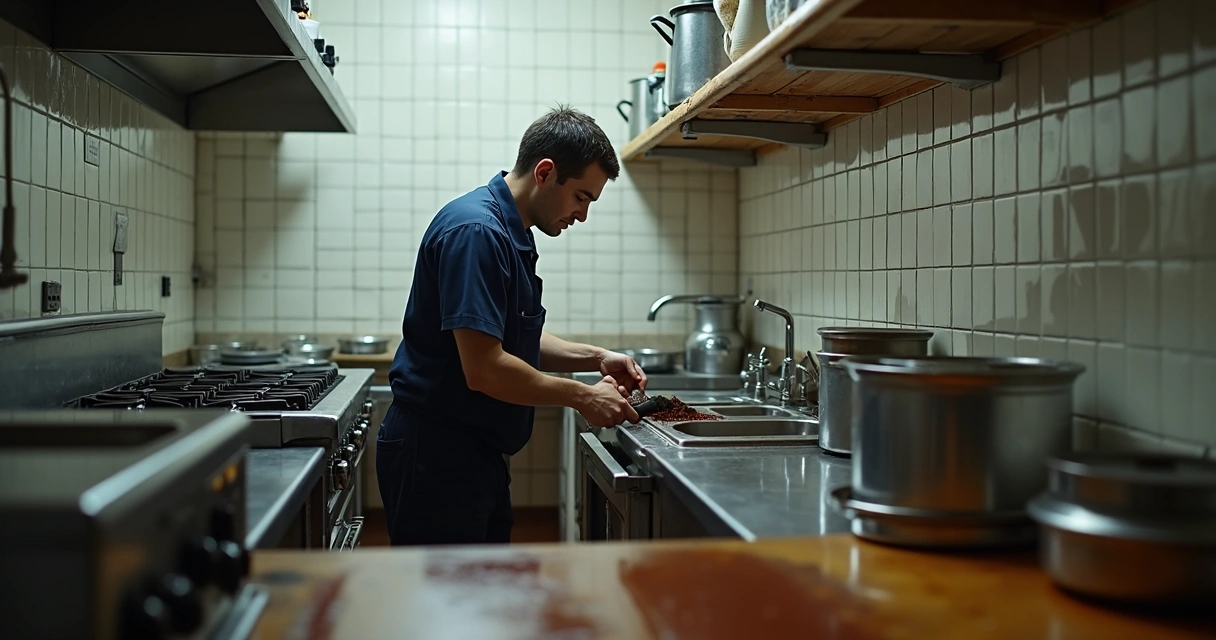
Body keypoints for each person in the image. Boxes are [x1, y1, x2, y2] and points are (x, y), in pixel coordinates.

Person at [377, 106, 648, 546]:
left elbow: (513, 338)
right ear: (545, 172)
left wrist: (595, 357)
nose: (582, 216)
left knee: (481, 598)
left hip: (471, 455)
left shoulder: (509, 231)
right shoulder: (477, 232)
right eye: (581, 197)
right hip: (437, 458)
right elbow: (485, 367)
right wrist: (582, 396)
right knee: (448, 606)